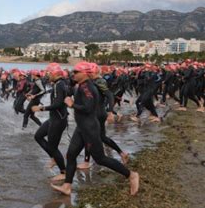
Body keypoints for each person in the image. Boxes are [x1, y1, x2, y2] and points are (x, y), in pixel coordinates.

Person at [51, 62, 139, 196]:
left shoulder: (87, 87)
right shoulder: (82, 85)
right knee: (71, 155)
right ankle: (67, 186)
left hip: (89, 128)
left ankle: (131, 175)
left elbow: (88, 108)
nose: (73, 74)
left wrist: (72, 104)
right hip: (81, 128)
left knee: (100, 158)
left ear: (85, 73)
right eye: (73, 72)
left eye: (76, 72)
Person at [33, 63, 68, 181]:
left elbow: (58, 104)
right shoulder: (59, 83)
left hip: (58, 120)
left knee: (53, 147)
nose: (47, 75)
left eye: (48, 73)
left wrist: (41, 108)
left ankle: (64, 172)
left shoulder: (59, 85)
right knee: (38, 136)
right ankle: (54, 157)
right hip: (55, 118)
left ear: (54, 73)